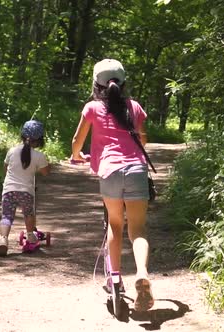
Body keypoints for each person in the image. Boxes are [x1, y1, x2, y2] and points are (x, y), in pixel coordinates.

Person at [71, 59, 154, 311]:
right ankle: (142, 273)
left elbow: (77, 140)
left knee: (115, 226)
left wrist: (76, 155)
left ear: (96, 84)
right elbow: (143, 139)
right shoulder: (135, 107)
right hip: (137, 169)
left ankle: (115, 278)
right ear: (123, 82)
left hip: (109, 171)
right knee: (137, 230)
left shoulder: (92, 108)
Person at [0, 120, 50, 256]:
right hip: (26, 191)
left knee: (7, 216)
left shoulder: (12, 151)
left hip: (9, 190)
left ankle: (3, 240)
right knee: (28, 214)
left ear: (22, 135)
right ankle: (31, 235)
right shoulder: (39, 156)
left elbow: (5, 168)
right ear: (39, 140)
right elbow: (45, 172)